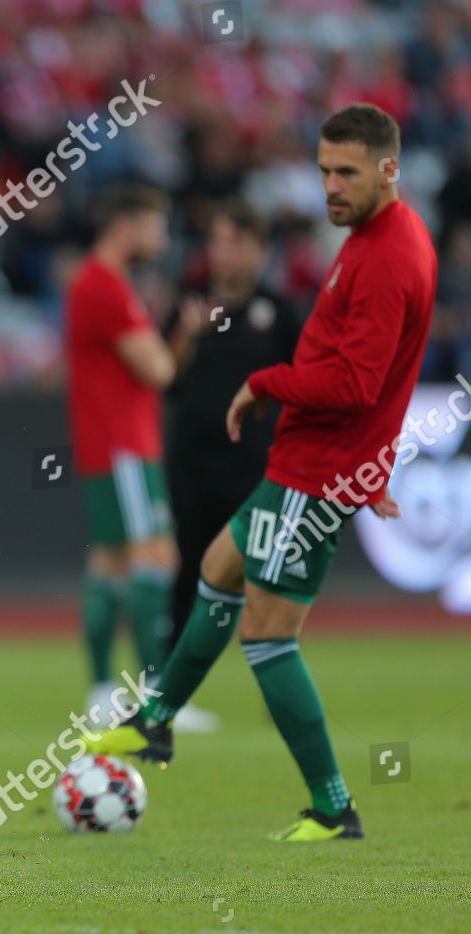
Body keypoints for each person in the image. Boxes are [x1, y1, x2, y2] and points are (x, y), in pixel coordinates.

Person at [88, 103, 437, 841]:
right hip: (318, 465)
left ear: (389, 170)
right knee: (218, 566)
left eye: (347, 172)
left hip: (315, 474)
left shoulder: (385, 256)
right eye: (323, 171)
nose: (331, 187)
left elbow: (358, 384)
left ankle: (334, 805)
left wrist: (267, 382)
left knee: (269, 637)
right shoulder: (376, 237)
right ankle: (156, 724)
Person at [65, 185, 213, 730]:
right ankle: (155, 691)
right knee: (155, 557)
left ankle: (105, 688)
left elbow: (155, 367)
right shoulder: (105, 286)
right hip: (124, 446)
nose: (164, 238)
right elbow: (157, 371)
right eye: (157, 225)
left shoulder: (96, 282)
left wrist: (179, 337)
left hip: (109, 444)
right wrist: (184, 336)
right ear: (126, 225)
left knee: (110, 561)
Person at [163, 202, 301, 686]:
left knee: (265, 578)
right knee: (188, 573)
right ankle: (171, 680)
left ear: (261, 252)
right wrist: (187, 334)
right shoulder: (191, 305)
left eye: (238, 242)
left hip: (255, 470)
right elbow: (165, 380)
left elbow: (304, 385)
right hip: (193, 466)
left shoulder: (279, 314)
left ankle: (276, 675)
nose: (226, 253)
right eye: (220, 241)